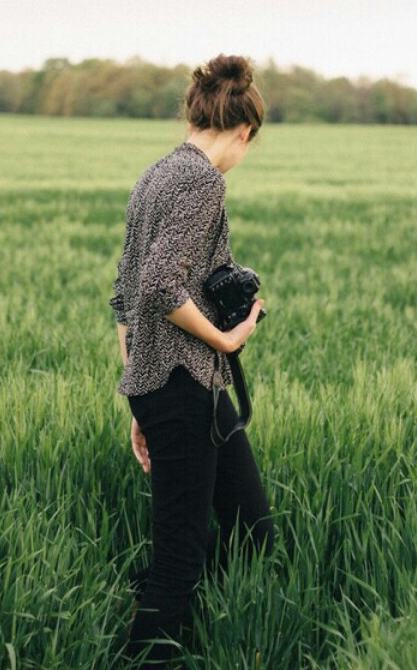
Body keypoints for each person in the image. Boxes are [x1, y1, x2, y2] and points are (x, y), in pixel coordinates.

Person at [109, 54, 275, 667]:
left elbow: (123, 297)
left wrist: (138, 394)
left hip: (176, 389)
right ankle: (150, 656)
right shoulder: (204, 180)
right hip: (183, 388)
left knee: (252, 529)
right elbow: (156, 284)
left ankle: (222, 628)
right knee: (179, 553)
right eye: (248, 145)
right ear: (241, 131)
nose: (242, 156)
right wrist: (229, 340)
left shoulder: (153, 176)